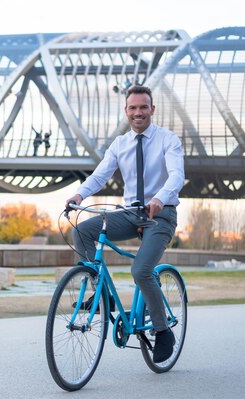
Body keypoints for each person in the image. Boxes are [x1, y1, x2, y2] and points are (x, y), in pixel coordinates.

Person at [65, 85, 184, 363]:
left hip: (160, 215)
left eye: (144, 107)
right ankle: (100, 296)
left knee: (141, 270)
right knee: (82, 230)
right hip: (131, 214)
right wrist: (79, 195)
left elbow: (176, 176)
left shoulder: (168, 140)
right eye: (133, 108)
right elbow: (99, 175)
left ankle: (163, 330)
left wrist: (160, 198)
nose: (138, 112)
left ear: (152, 110)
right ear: (126, 111)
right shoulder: (120, 144)